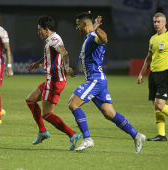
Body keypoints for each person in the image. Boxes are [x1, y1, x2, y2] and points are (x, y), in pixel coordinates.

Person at [68, 12, 145, 153]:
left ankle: (87, 139)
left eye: (78, 24)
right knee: (109, 113)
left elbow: (104, 39)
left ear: (84, 24)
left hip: (95, 80)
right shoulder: (88, 38)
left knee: (73, 104)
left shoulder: (92, 36)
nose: (76, 27)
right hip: (98, 79)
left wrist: (96, 28)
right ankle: (136, 135)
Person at [26, 15, 81, 151]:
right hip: (50, 80)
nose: (38, 33)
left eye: (40, 30)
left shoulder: (55, 40)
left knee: (47, 114)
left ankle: (72, 134)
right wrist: (38, 63)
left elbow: (64, 53)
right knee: (30, 100)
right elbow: (50, 55)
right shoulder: (50, 40)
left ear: (47, 29)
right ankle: (42, 132)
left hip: (55, 81)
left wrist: (67, 67)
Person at [138, 12, 168, 141]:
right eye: (154, 22)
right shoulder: (153, 38)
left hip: (165, 74)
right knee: (155, 105)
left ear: (165, 23)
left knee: (159, 104)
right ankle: (161, 135)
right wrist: (141, 73)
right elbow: (148, 58)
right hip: (153, 74)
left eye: (159, 22)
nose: (156, 24)